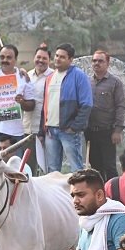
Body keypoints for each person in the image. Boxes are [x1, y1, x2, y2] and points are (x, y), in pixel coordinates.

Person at [39, 43, 93, 173]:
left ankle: (77, 193)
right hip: (51, 131)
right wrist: (42, 130)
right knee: (52, 170)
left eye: (62, 57)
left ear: (70, 60)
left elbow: (87, 104)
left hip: (69, 131)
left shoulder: (79, 76)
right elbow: (45, 105)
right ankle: (53, 194)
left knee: (76, 168)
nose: (57, 59)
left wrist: (74, 127)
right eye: (56, 56)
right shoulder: (49, 77)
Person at [87, 50, 125, 181]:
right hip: (90, 132)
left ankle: (113, 197)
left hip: (107, 132)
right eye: (94, 60)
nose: (96, 63)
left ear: (107, 63)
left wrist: (118, 130)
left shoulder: (115, 83)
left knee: (109, 167)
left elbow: (121, 107)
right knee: (95, 168)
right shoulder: (87, 82)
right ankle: (99, 196)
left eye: (100, 61)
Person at [24, 46, 54, 174]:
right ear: (34, 58)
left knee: (47, 167)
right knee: (28, 167)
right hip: (27, 130)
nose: (40, 60)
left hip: (46, 131)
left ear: (49, 60)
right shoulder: (26, 76)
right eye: (38, 57)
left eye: (44, 58)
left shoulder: (54, 77)